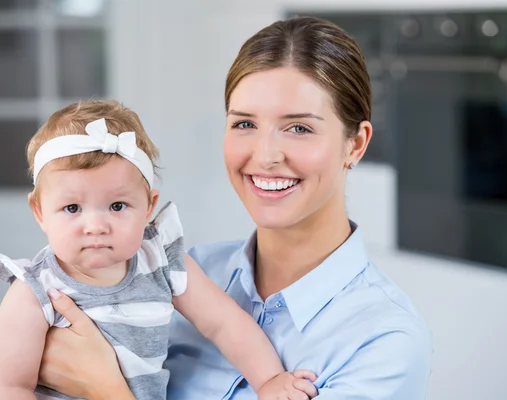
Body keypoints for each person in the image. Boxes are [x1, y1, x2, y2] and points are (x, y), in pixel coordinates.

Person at [35, 16, 433, 400]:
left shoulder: (384, 340)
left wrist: (105, 388)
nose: (265, 155)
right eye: (244, 124)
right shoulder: (174, 274)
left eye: (299, 128)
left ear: (356, 144)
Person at [0, 100, 318, 400]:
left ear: (148, 207)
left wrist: (270, 379)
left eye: (116, 206)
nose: (96, 225)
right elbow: (11, 387)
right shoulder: (35, 291)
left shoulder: (159, 262)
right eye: (72, 208)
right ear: (40, 212)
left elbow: (225, 322)